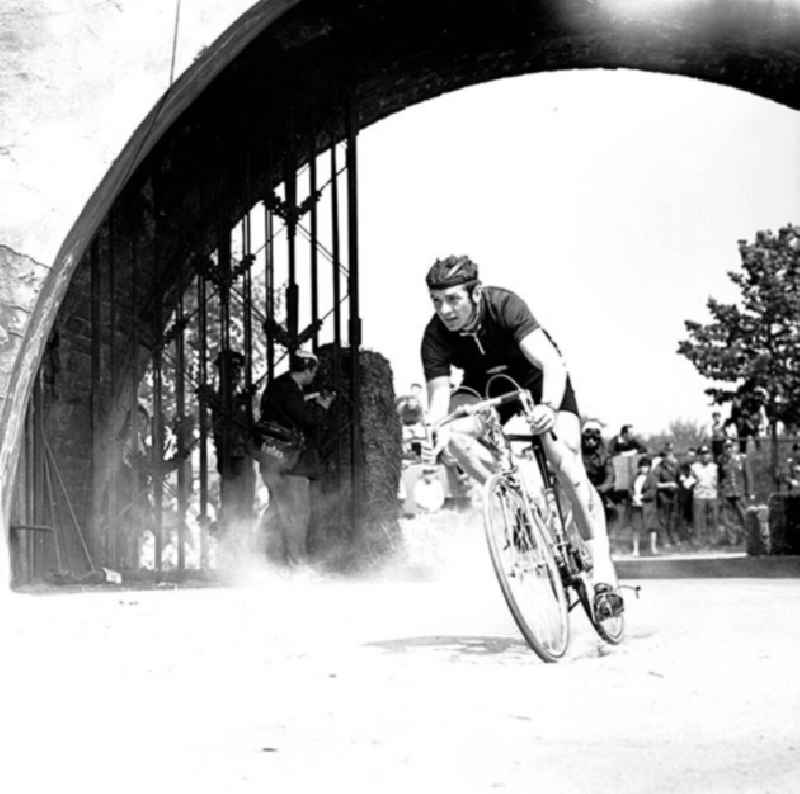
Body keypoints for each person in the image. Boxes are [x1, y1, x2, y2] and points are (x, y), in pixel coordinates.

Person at [419, 255, 623, 618]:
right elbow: (438, 399)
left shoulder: (504, 305)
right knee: (451, 433)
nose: (445, 310)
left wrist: (548, 405)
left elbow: (551, 362)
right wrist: (434, 428)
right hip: (485, 392)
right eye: (436, 301)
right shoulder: (435, 334)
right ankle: (514, 496)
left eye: (453, 300)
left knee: (565, 461)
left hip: (537, 384)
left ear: (476, 293)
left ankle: (604, 577)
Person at [258, 350, 334, 565]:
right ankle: (298, 563)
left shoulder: (277, 386)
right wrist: (322, 406)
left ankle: (264, 560)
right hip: (289, 461)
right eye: (314, 370)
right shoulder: (290, 390)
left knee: (277, 511)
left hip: (270, 456)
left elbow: (284, 410)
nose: (314, 376)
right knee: (297, 512)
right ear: (309, 367)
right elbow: (306, 419)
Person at [717, 439, 753, 545]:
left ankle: (747, 538)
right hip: (727, 493)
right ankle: (732, 540)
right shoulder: (721, 460)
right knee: (728, 518)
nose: (729, 449)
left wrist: (750, 491)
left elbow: (748, 476)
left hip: (739, 492)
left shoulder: (742, 459)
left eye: (730, 447)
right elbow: (719, 477)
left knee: (744, 516)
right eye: (726, 447)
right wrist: (720, 491)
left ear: (735, 447)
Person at [690, 445, 719, 547]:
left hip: (712, 495)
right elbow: (691, 481)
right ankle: (698, 540)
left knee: (713, 519)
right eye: (703, 454)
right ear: (699, 456)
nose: (705, 456)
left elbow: (717, 481)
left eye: (707, 454)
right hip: (699, 495)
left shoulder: (714, 467)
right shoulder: (694, 467)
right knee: (698, 519)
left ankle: (713, 540)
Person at [653, 445, 680, 548]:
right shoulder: (658, 468)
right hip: (663, 497)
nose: (671, 456)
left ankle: (674, 537)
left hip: (674, 496)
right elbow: (655, 484)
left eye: (671, 453)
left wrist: (678, 484)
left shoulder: (676, 466)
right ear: (664, 457)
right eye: (668, 454)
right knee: (663, 520)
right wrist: (668, 485)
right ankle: (664, 540)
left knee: (673, 518)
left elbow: (679, 478)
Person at [630, 456, 657, 556]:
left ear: (649, 467)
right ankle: (635, 549)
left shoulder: (652, 478)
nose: (644, 469)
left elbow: (652, 492)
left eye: (646, 467)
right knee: (636, 528)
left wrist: (642, 496)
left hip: (648, 505)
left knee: (651, 527)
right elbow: (630, 488)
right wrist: (633, 496)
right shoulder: (634, 477)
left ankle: (653, 548)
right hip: (636, 505)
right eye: (642, 467)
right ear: (639, 467)